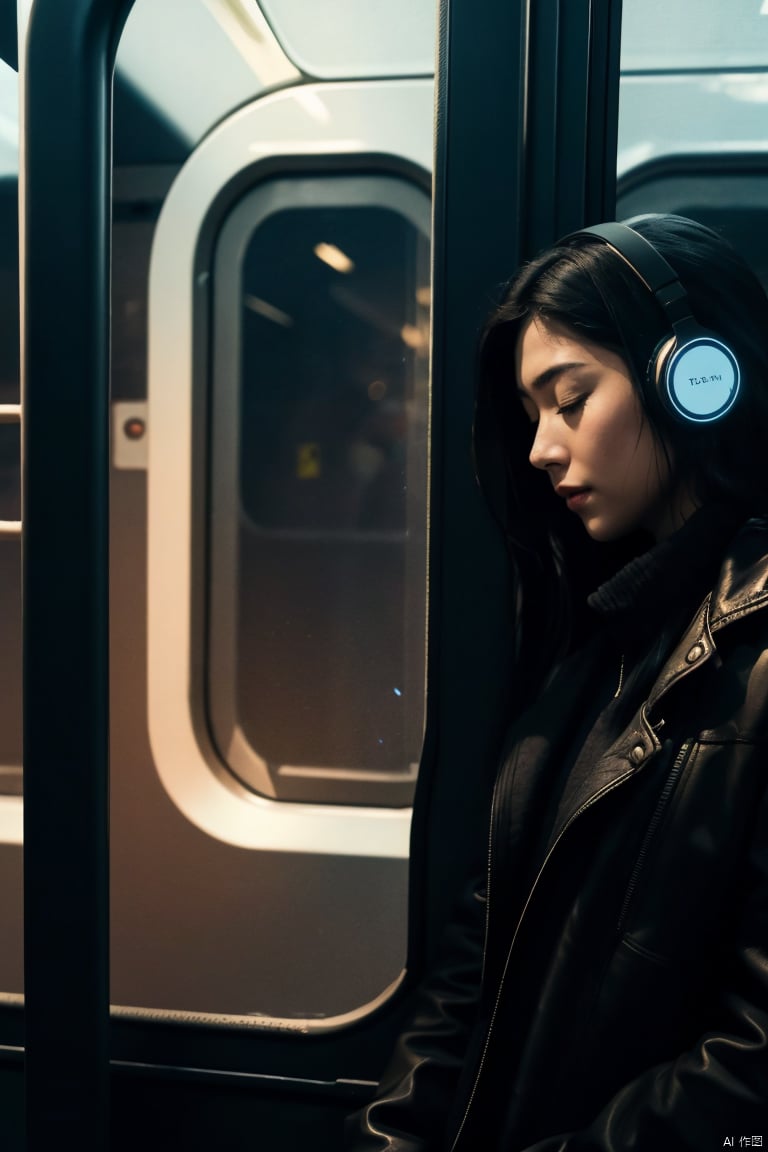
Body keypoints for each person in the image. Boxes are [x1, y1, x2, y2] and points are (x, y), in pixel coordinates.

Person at [345, 214, 768, 1150]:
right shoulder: (602, 644)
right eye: (534, 414)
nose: (541, 448)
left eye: (570, 400)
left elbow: (753, 1060)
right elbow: (478, 959)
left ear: (695, 382)